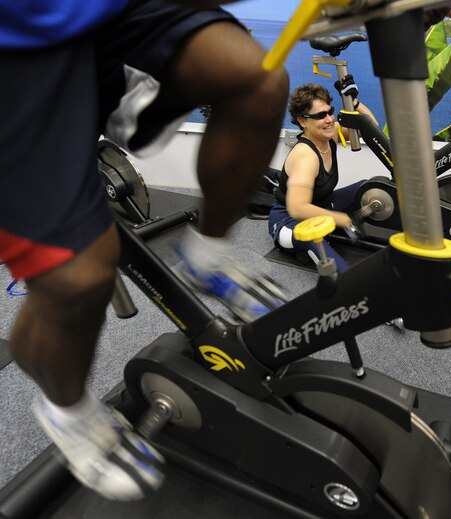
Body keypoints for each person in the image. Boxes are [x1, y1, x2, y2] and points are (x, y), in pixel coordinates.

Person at [0, 0, 288, 500]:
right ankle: (65, 409)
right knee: (80, 277)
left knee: (256, 79)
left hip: (101, 15)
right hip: (15, 44)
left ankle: (205, 252)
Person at [269, 81, 377, 272]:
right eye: (320, 115)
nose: (328, 119)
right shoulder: (306, 156)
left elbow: (372, 129)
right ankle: (349, 281)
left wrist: (355, 102)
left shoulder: (332, 132)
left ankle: (331, 226)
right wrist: (341, 218)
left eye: (329, 112)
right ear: (302, 121)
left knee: (368, 187)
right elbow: (297, 208)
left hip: (322, 205)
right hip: (289, 224)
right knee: (312, 238)